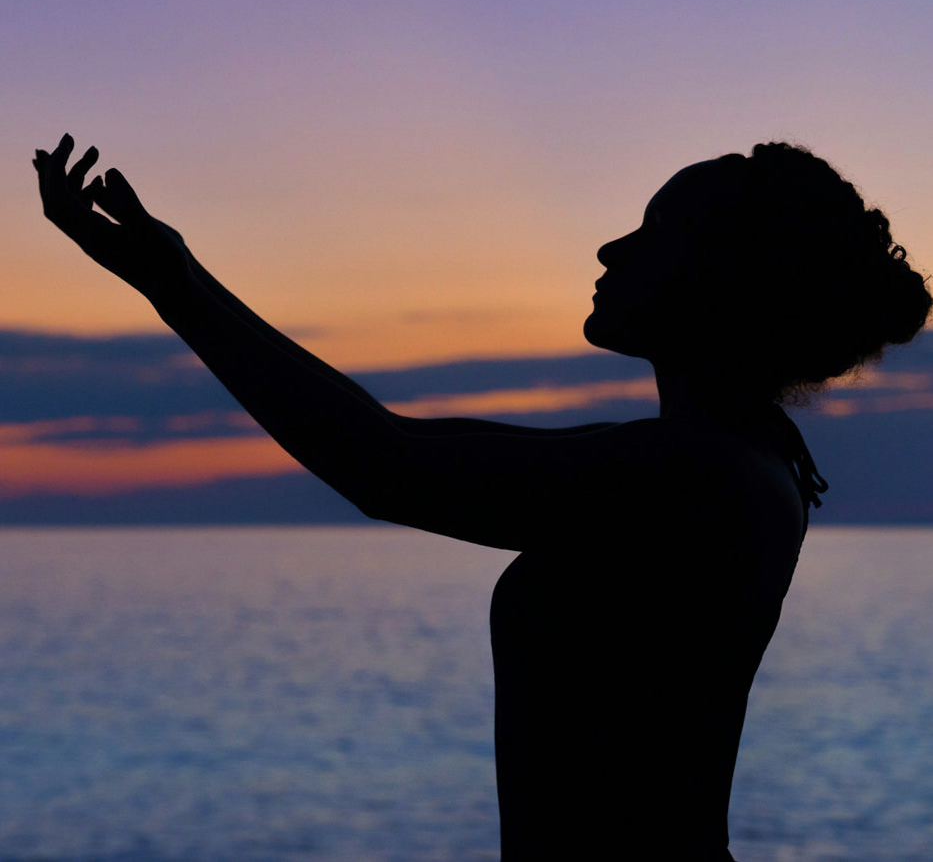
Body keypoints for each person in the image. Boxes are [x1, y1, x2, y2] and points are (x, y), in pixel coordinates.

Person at [34, 135, 931, 860]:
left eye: (653, 232)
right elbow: (397, 438)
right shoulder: (713, 457)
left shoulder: (698, 475)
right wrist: (179, 277)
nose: (610, 247)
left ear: (720, 277)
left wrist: (172, 287)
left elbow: (382, 466)